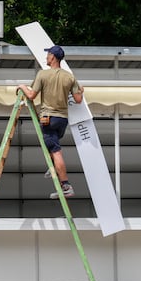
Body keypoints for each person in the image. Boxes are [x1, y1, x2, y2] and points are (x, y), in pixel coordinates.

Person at [17, 45, 84, 199]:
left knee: (55, 150)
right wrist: (81, 90)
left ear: (53, 57)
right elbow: (78, 100)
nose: (46, 57)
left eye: (48, 54)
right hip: (62, 120)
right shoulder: (69, 77)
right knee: (52, 144)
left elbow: (32, 95)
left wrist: (22, 87)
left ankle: (66, 185)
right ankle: (53, 167)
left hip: (48, 118)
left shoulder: (43, 75)